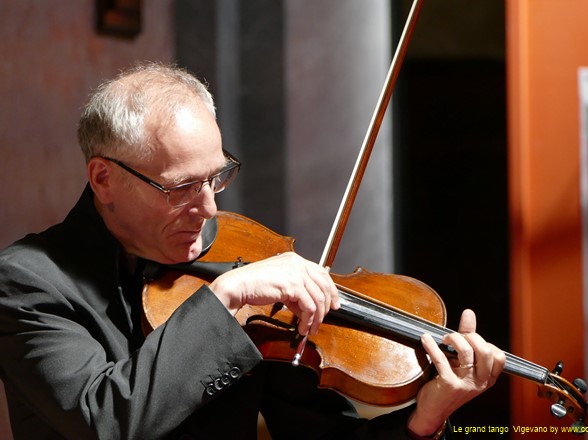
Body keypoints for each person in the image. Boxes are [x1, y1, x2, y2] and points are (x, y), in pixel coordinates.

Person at [0, 62, 505, 440]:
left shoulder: (239, 258)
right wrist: (225, 300)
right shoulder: (29, 281)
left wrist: (425, 417)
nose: (208, 208)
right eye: (180, 188)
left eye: (215, 179)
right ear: (104, 179)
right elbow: (105, 420)